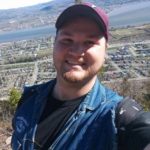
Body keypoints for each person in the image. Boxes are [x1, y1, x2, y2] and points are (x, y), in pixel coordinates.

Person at [11, 2, 150, 150]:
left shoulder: (120, 119)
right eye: (67, 40)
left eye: (90, 42)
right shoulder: (29, 98)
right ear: (54, 43)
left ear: (105, 51)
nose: (76, 51)